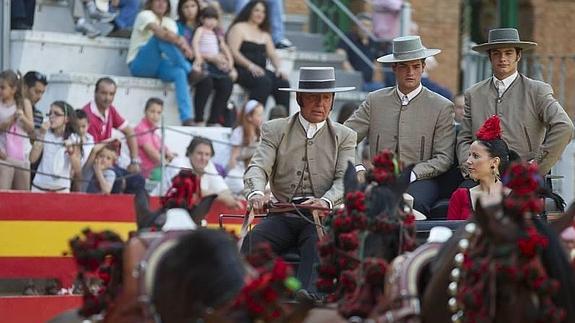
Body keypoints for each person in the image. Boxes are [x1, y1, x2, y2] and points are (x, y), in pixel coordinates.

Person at [242, 67, 357, 295]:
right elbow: (258, 166)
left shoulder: (345, 136)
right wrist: (255, 193)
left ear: (333, 101)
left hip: (320, 219)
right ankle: (249, 299)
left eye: (326, 98)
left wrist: (325, 201)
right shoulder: (275, 129)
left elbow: (345, 179)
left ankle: (309, 302)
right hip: (282, 215)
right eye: (313, 98)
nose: (320, 104)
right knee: (252, 243)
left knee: (319, 247)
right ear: (299, 98)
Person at [344, 36, 455, 216]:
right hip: (378, 178)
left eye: (416, 66)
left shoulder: (441, 106)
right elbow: (345, 138)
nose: (410, 72)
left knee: (409, 205)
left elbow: (443, 158)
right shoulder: (375, 100)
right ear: (394, 68)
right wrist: (358, 168)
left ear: (423, 67)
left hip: (420, 180)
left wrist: (411, 174)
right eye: (404, 66)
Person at [457, 28, 574, 177]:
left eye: (508, 53)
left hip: (522, 176)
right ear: (490, 57)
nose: (502, 58)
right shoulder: (473, 94)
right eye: (496, 53)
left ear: (518, 55)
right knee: (462, 198)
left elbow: (564, 126)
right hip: (483, 176)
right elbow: (464, 138)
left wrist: (535, 167)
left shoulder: (537, 90)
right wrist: (469, 167)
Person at [127, 0, 197, 126]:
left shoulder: (169, 22)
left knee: (179, 73)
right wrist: (181, 40)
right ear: (151, 3)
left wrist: (179, 41)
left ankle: (186, 118)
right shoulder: (144, 15)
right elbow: (161, 33)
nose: (161, 4)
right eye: (157, 1)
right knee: (158, 38)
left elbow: (173, 40)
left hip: (160, 64)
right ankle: (189, 70)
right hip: (139, 63)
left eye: (164, 1)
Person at [447, 115, 518, 220]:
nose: (468, 161)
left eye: (476, 156)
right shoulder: (460, 196)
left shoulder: (515, 198)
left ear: (494, 162)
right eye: (469, 155)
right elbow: (450, 232)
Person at [226, 0, 290, 110]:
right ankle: (253, 118)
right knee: (263, 82)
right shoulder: (238, 27)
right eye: (257, 10)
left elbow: (273, 54)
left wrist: (279, 68)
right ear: (249, 11)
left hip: (260, 70)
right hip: (242, 70)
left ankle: (282, 123)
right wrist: (250, 66)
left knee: (282, 83)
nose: (260, 14)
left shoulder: (264, 33)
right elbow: (233, 51)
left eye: (263, 12)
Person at [160, 136, 243, 209]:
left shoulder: (208, 165)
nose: (203, 158)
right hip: (162, 207)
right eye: (199, 153)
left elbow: (223, 189)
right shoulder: (179, 163)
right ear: (190, 153)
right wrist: (223, 198)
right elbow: (192, 191)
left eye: (207, 154)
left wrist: (231, 198)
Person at [81, 77, 140, 174]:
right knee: (128, 180)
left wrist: (134, 161)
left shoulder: (110, 109)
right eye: (104, 93)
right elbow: (94, 151)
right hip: (94, 165)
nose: (107, 98)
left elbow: (130, 131)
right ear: (95, 92)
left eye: (111, 94)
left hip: (109, 161)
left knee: (137, 178)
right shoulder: (87, 115)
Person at [192, 6, 236, 126]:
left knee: (227, 83)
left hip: (216, 66)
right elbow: (195, 43)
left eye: (214, 19)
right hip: (205, 63)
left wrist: (230, 62)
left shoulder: (216, 34)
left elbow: (224, 47)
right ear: (202, 19)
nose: (211, 22)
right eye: (208, 18)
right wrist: (198, 57)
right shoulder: (200, 30)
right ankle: (199, 118)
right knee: (206, 82)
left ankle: (214, 119)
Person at [29, 101, 82, 193]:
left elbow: (77, 169)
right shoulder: (45, 133)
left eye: (56, 114)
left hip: (61, 189)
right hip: (39, 186)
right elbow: (32, 159)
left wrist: (71, 151)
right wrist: (41, 135)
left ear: (67, 119)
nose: (51, 117)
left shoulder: (74, 138)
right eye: (50, 113)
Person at [0, 70, 35, 191]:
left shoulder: (24, 103)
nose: (0, 90)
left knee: (22, 193)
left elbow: (31, 128)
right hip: (4, 155)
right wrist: (11, 119)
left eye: (2, 88)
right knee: (4, 192)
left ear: (13, 89)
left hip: (22, 155)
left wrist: (23, 118)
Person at [336, 12, 386, 92]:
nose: (365, 28)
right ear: (356, 26)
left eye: (368, 26)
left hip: (370, 83)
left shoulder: (374, 41)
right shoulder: (348, 37)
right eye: (363, 25)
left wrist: (376, 79)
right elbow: (340, 54)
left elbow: (377, 62)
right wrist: (353, 75)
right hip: (352, 80)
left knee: (382, 88)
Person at [225, 100, 264, 194]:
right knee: (240, 183)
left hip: (248, 168)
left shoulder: (259, 133)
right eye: (258, 115)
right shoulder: (239, 132)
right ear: (249, 117)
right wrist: (231, 173)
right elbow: (233, 159)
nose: (261, 118)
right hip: (236, 168)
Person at [134, 98, 176, 178]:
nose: (155, 116)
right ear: (145, 111)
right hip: (148, 172)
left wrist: (173, 159)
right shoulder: (141, 129)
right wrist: (169, 166)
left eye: (159, 113)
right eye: (152, 111)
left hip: (158, 169)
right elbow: (152, 153)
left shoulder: (153, 131)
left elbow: (165, 150)